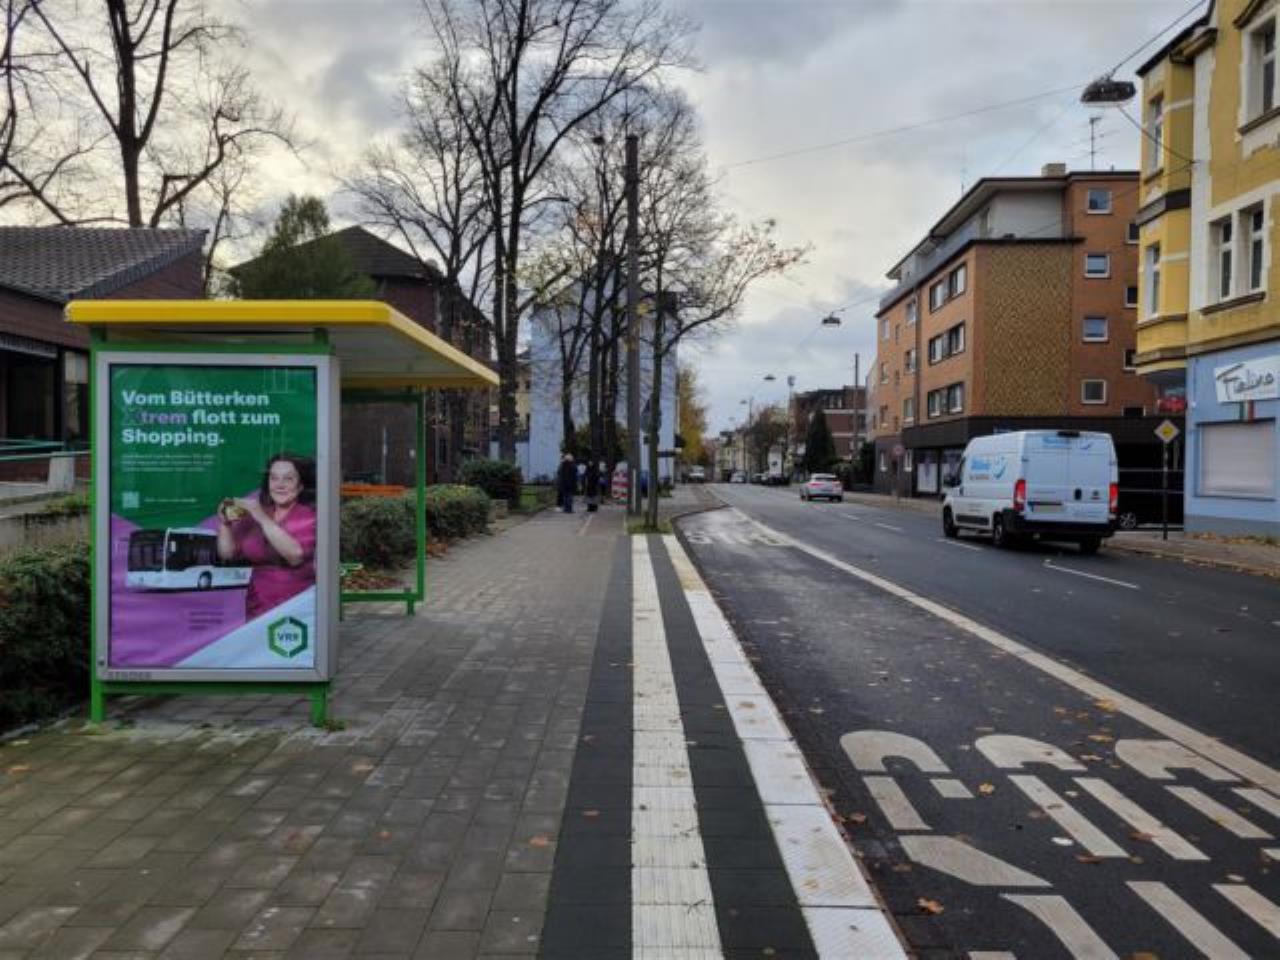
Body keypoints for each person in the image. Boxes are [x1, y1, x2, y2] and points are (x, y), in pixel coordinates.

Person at [217, 452, 317, 620]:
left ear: (300, 486)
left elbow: (295, 556)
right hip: (257, 606)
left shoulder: (308, 515)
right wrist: (225, 524)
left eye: (288, 479)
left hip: (295, 607)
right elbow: (227, 554)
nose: (279, 485)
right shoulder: (258, 513)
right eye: (274, 478)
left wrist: (260, 516)